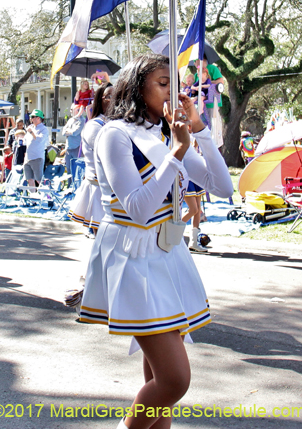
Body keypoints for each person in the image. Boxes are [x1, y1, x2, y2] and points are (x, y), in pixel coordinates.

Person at [79, 53, 235, 429]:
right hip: (132, 256)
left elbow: (222, 187)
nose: (172, 91)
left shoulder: (165, 133)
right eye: (163, 84)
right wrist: (177, 153)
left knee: (158, 378)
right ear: (137, 88)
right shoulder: (114, 135)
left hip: (166, 253)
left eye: (174, 84)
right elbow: (138, 209)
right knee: (174, 381)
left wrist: (199, 131)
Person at [69, 83, 113, 237]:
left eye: (117, 96)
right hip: (99, 188)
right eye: (109, 96)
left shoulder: (117, 123)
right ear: (100, 100)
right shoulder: (94, 125)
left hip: (115, 188)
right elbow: (109, 154)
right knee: (103, 238)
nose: (114, 100)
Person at [23, 109, 49, 191]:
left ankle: (47, 195)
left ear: (38, 118)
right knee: (29, 179)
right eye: (30, 116)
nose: (30, 118)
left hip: (37, 157)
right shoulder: (30, 127)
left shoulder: (44, 129)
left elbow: (40, 139)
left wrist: (32, 132)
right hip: (28, 158)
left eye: (32, 117)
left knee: (39, 179)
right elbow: (26, 140)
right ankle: (33, 197)